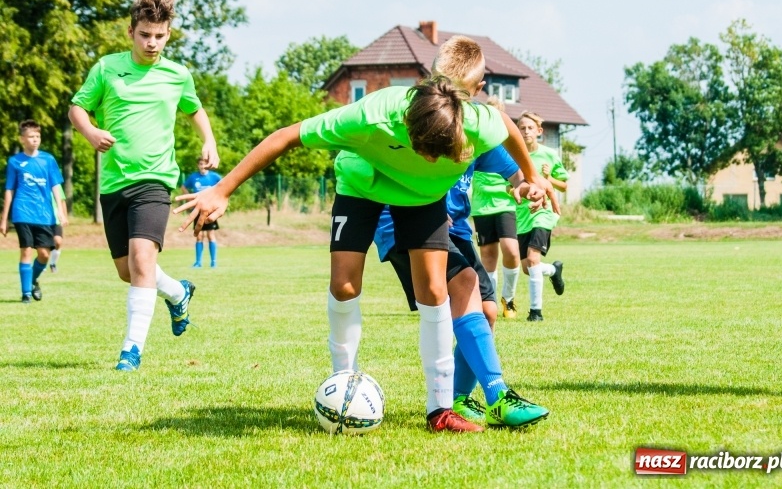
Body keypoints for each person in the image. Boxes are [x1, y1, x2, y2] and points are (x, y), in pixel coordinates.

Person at [176, 35, 557, 432]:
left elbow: (509, 130)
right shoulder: (371, 114)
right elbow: (286, 136)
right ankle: (343, 385)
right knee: (343, 286)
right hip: (362, 188)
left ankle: (441, 410)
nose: (431, 159)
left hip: (423, 199)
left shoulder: (478, 120)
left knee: (437, 290)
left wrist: (531, 176)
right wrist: (223, 189)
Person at [68, 0, 220, 371]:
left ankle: (130, 351)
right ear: (130, 32)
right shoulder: (106, 69)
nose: (152, 43)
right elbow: (77, 107)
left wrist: (209, 139)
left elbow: (195, 108)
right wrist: (89, 132)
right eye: (145, 35)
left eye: (160, 36)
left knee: (141, 258)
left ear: (168, 35)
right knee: (129, 271)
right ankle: (178, 292)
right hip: (114, 182)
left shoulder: (176, 75)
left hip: (155, 180)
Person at [374, 144, 550, 428]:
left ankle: (458, 398)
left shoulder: (479, 135)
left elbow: (517, 175)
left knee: (488, 310)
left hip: (455, 228)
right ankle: (498, 396)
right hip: (402, 222)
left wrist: (528, 187)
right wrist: (424, 206)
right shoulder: (428, 122)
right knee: (464, 283)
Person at [1, 120, 67, 303]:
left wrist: (61, 211)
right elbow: (9, 190)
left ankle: (31, 281)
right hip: (22, 212)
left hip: (45, 214)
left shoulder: (48, 160)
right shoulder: (15, 162)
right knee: (26, 252)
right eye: (31, 136)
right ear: (22, 139)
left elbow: (55, 186)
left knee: (44, 254)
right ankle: (26, 294)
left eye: (37, 136)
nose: (35, 139)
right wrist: (4, 218)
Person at [470, 96, 522, 319]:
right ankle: (488, 299)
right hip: (481, 208)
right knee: (488, 256)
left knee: (511, 250)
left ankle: (508, 299)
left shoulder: (504, 149)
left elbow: (516, 178)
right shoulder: (477, 146)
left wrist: (513, 189)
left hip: (504, 206)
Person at [516, 112, 569, 322]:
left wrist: (549, 179)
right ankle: (554, 270)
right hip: (522, 214)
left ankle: (535, 312)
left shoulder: (549, 155)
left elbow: (564, 185)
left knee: (532, 258)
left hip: (544, 213)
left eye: (530, 128)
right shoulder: (515, 157)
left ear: (539, 131)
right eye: (522, 128)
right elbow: (508, 185)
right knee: (528, 268)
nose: (526, 131)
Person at [182, 157, 222, 267]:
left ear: (207, 165)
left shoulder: (214, 176)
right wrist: (190, 200)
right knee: (199, 236)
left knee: (210, 235)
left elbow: (223, 185)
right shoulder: (194, 177)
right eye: (200, 164)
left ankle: (213, 262)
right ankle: (198, 262)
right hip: (198, 209)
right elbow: (183, 187)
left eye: (204, 164)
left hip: (209, 209)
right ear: (198, 165)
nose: (202, 166)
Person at [50, 184, 68, 273]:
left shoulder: (56, 184)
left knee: (58, 241)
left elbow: (62, 201)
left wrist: (65, 216)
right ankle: (42, 263)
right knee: (44, 245)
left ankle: (52, 263)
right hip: (43, 219)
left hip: (56, 219)